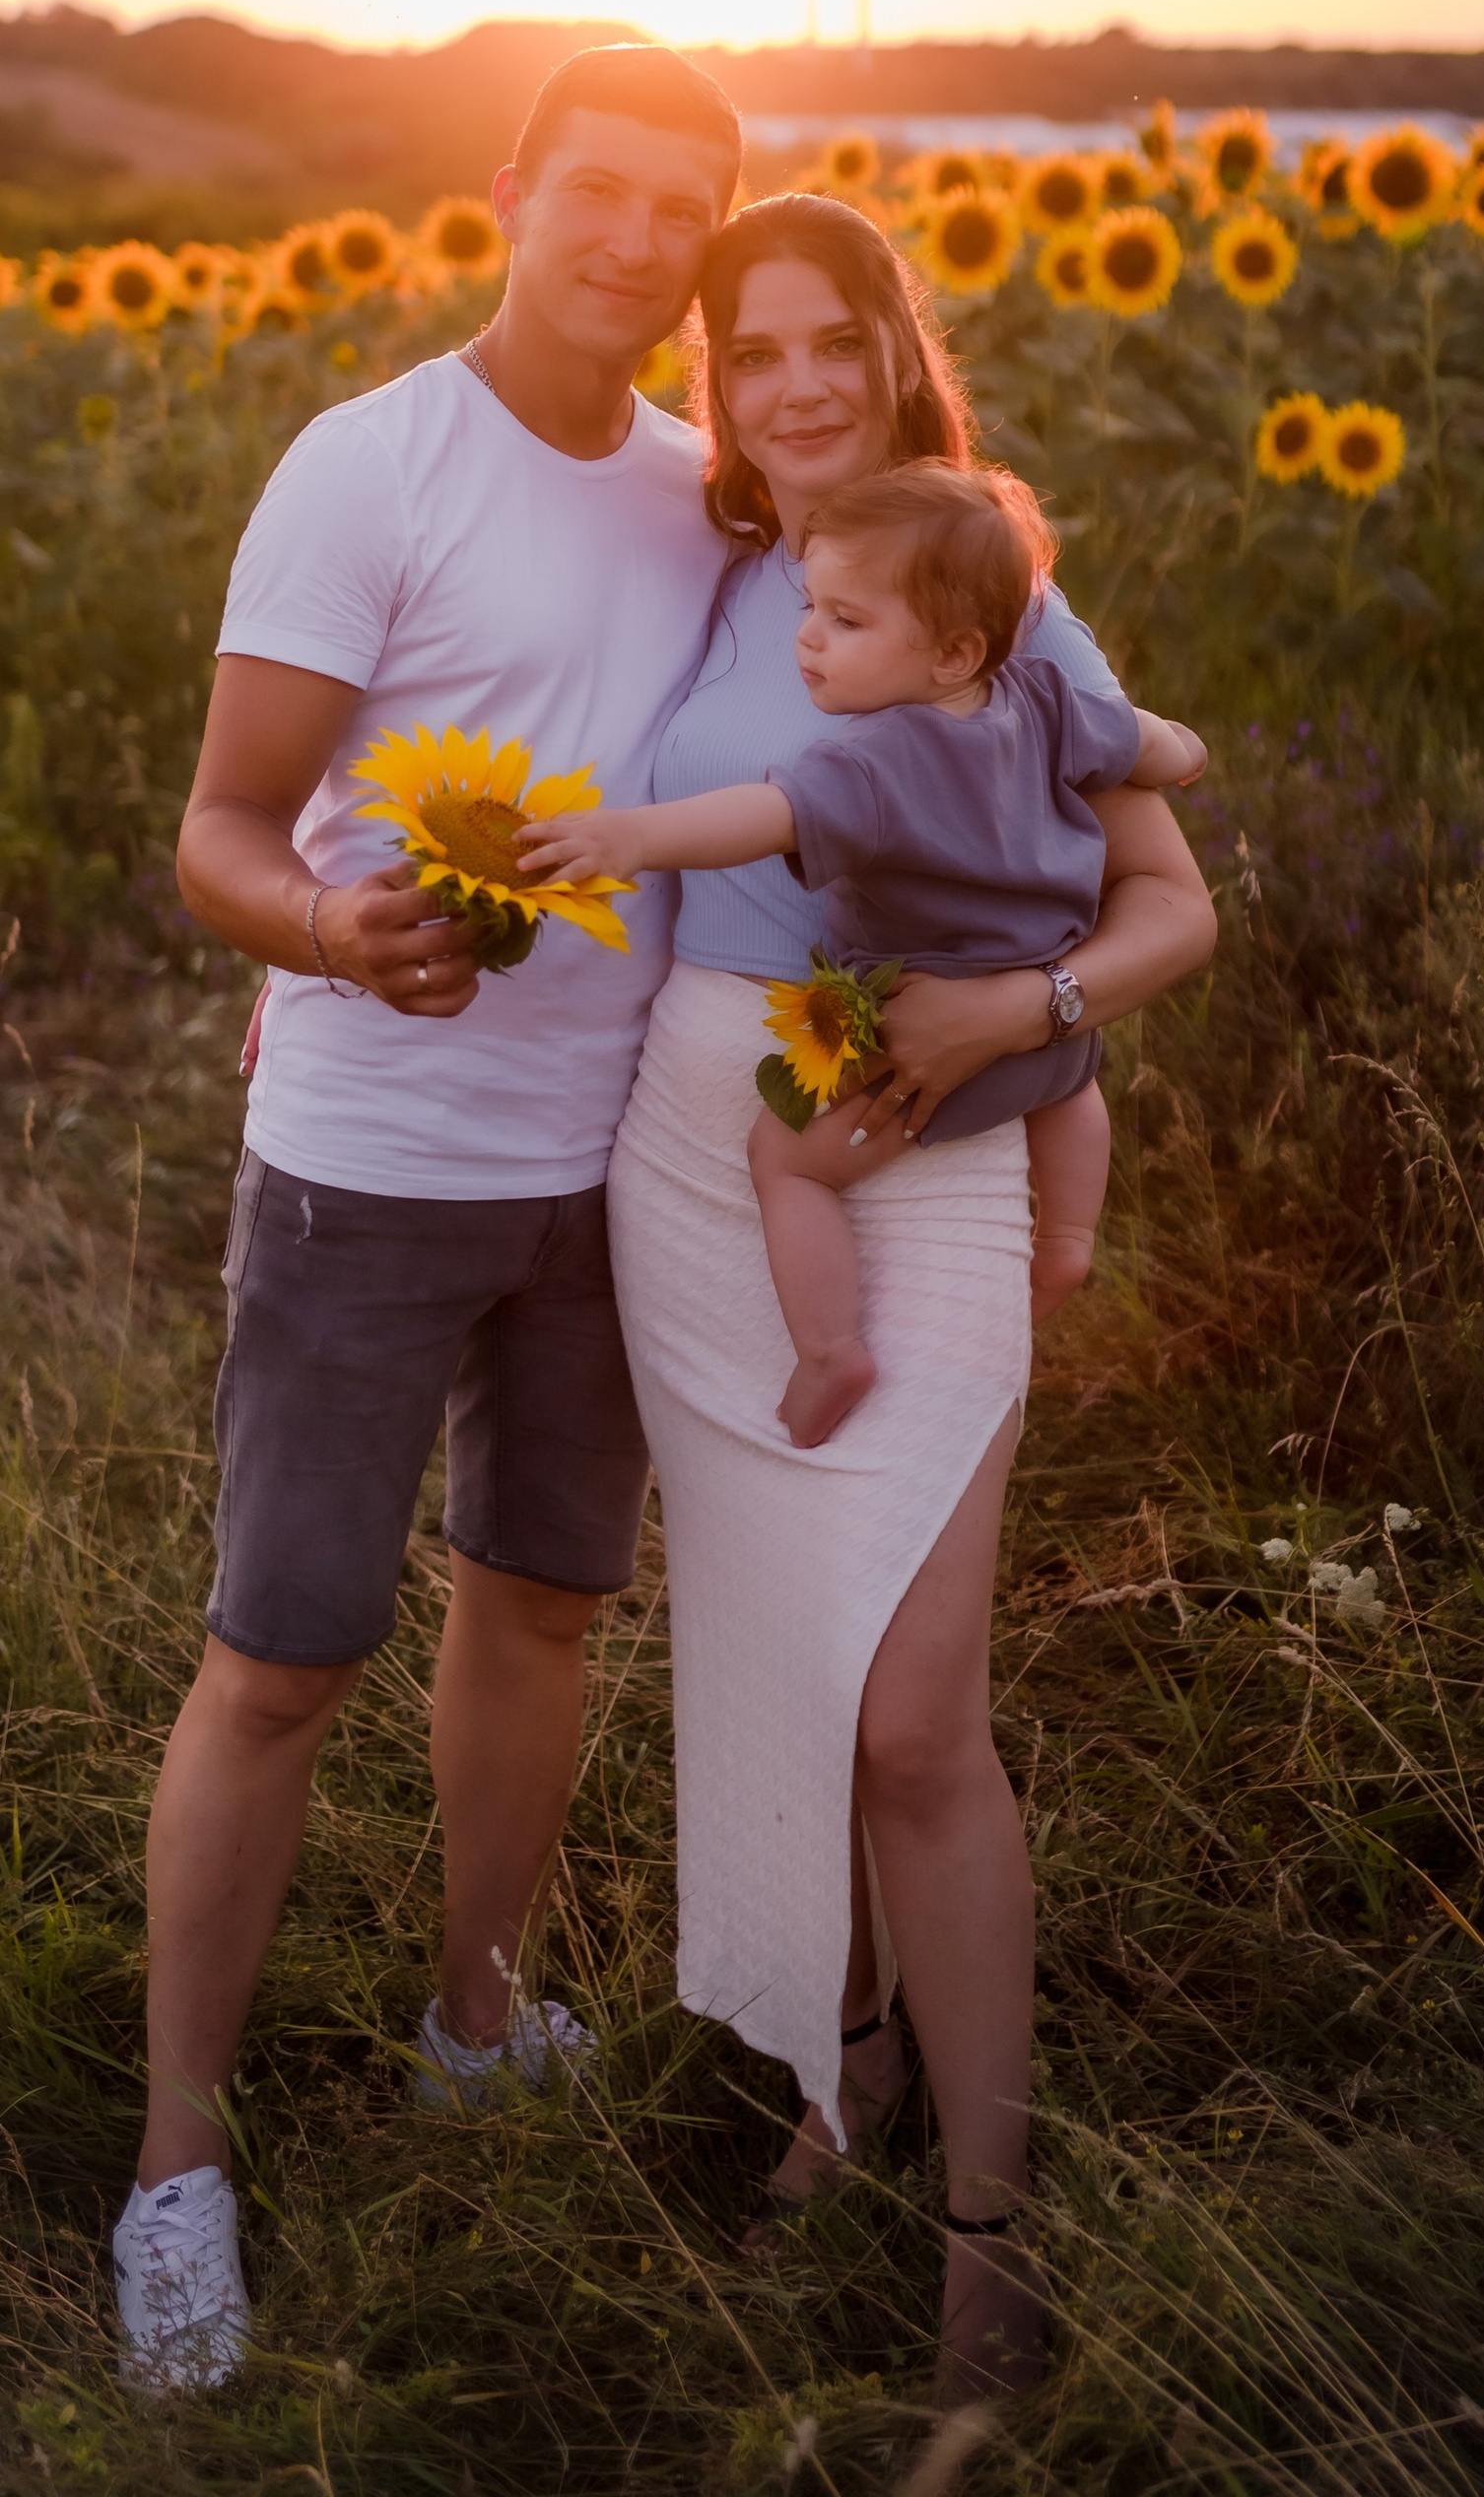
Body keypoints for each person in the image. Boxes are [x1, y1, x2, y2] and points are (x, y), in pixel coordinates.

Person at [110, 43, 743, 2390]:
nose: (632, 237)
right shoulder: (367, 463)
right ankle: (177, 2165)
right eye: (596, 188)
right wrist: (322, 932)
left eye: (678, 206)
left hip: (612, 1170)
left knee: (544, 1616)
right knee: (283, 1654)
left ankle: (472, 2014)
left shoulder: (710, 498)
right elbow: (221, 826)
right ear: (510, 194)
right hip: (371, 1159)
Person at [601, 196, 1217, 2402]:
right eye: (745, 348)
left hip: (927, 1145)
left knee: (912, 1715)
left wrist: (1008, 1012)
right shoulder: (695, 573)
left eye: (825, 340)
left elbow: (1172, 900)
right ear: (718, 377)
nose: (789, 383)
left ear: (887, 346)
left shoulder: (988, 590)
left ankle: (986, 2217)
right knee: (778, 1669)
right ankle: (829, 2081)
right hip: (704, 1162)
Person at [520, 459, 1206, 1449]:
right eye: (813, 609)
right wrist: (1189, 751)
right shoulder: (1044, 698)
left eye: (846, 622)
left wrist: (631, 838)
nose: (808, 638)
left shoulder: (874, 762)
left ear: (950, 651)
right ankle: (1063, 1247)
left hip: (937, 1037)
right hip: (1057, 1030)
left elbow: (762, 814)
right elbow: (1146, 743)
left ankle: (829, 1347)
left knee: (784, 1161)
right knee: (1072, 1096)